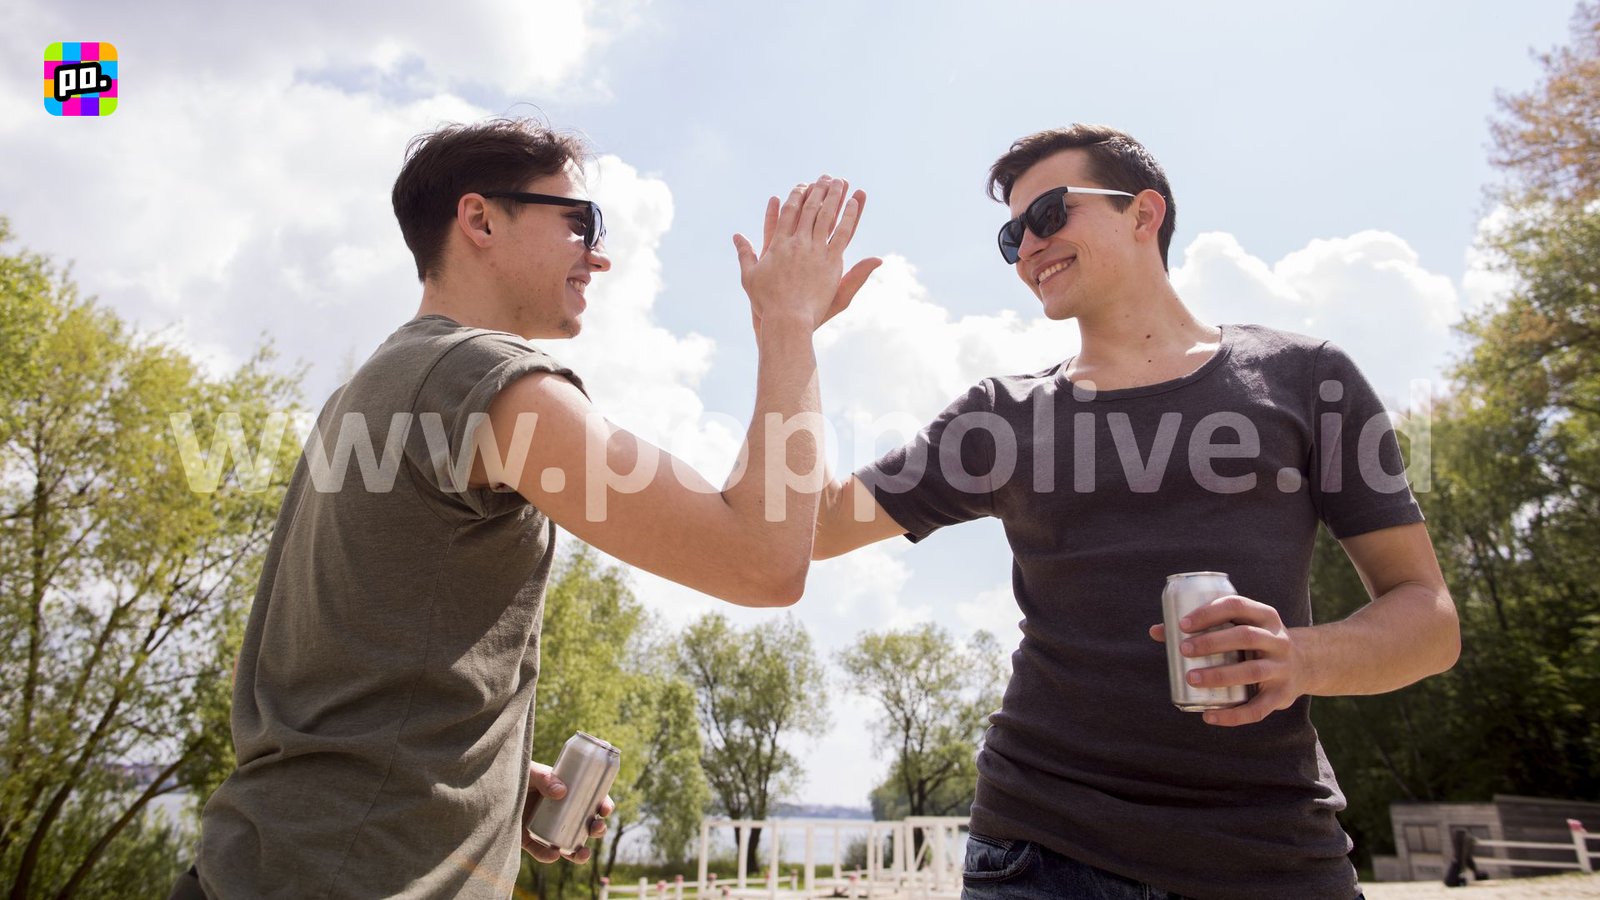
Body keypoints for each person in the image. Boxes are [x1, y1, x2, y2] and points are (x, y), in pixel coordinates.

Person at [172, 118, 878, 899]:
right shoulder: (481, 378)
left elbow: (349, 669)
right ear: (479, 220)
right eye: (579, 221)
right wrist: (787, 323)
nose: (598, 254)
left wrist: (491, 785)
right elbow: (762, 562)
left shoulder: (368, 389)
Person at [812, 124, 1460, 900]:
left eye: (1050, 213)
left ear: (1143, 213)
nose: (1028, 247)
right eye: (1012, 236)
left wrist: (1301, 658)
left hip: (1272, 853)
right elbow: (810, 528)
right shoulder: (1000, 417)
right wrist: (789, 328)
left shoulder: (1309, 379)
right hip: (1039, 856)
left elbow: (1429, 619)